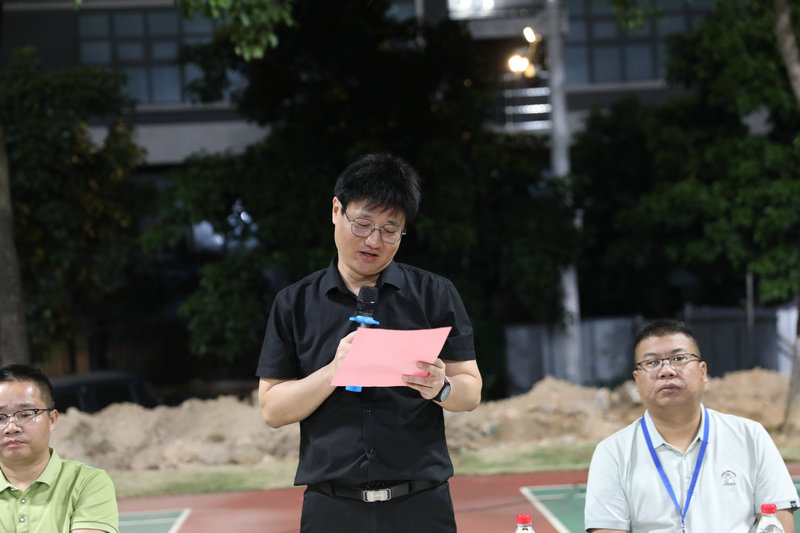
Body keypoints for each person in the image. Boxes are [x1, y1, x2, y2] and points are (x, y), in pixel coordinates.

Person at [256, 153, 483, 533]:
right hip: (332, 508)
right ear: (336, 210)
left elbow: (471, 391)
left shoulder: (434, 294)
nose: (374, 241)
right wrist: (333, 371)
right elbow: (272, 410)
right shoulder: (294, 303)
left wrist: (441, 387)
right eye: (362, 224)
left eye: (390, 230)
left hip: (421, 504)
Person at [584, 318, 799, 533]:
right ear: (637, 380)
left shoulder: (750, 437)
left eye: (679, 358)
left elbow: (779, 524)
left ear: (702, 372)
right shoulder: (613, 453)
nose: (666, 371)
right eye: (652, 363)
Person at [0, 364, 118, 533]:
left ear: (52, 419)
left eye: (25, 414)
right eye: (0, 417)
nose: (11, 427)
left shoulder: (86, 482)